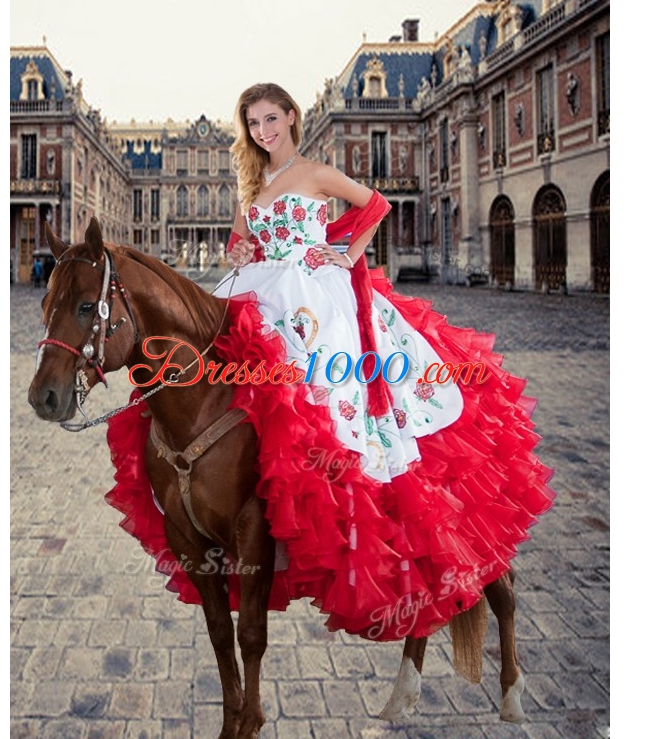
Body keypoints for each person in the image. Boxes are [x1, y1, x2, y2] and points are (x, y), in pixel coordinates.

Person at [107, 83, 555, 641]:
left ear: (292, 117)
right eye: (253, 123)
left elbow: (376, 204)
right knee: (234, 393)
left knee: (324, 402)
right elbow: (239, 245)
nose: (263, 131)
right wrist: (240, 251)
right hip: (259, 292)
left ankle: (347, 502)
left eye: (271, 119)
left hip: (311, 297)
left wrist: (346, 251)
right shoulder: (253, 189)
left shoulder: (315, 172)